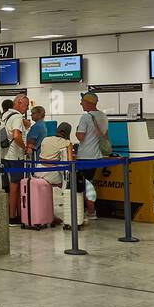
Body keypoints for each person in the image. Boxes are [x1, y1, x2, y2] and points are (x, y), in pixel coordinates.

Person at [38, 122, 81, 229]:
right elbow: (69, 160)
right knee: (65, 186)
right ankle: (70, 215)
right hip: (51, 172)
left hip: (38, 170)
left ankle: (50, 215)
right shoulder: (66, 142)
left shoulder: (46, 139)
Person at [75, 91, 109, 219]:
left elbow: (81, 137)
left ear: (89, 102)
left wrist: (76, 131)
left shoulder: (85, 117)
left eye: (82, 101)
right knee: (89, 183)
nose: (81, 103)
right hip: (98, 155)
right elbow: (106, 136)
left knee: (84, 185)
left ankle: (90, 211)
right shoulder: (103, 116)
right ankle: (88, 210)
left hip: (85, 157)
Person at [1, 95, 29, 226]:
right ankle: (13, 217)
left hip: (4, 154)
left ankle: (10, 214)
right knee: (15, 187)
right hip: (15, 156)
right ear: (19, 103)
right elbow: (17, 135)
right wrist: (25, 148)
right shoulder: (17, 117)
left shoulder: (6, 114)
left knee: (8, 188)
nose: (27, 108)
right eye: (26, 105)